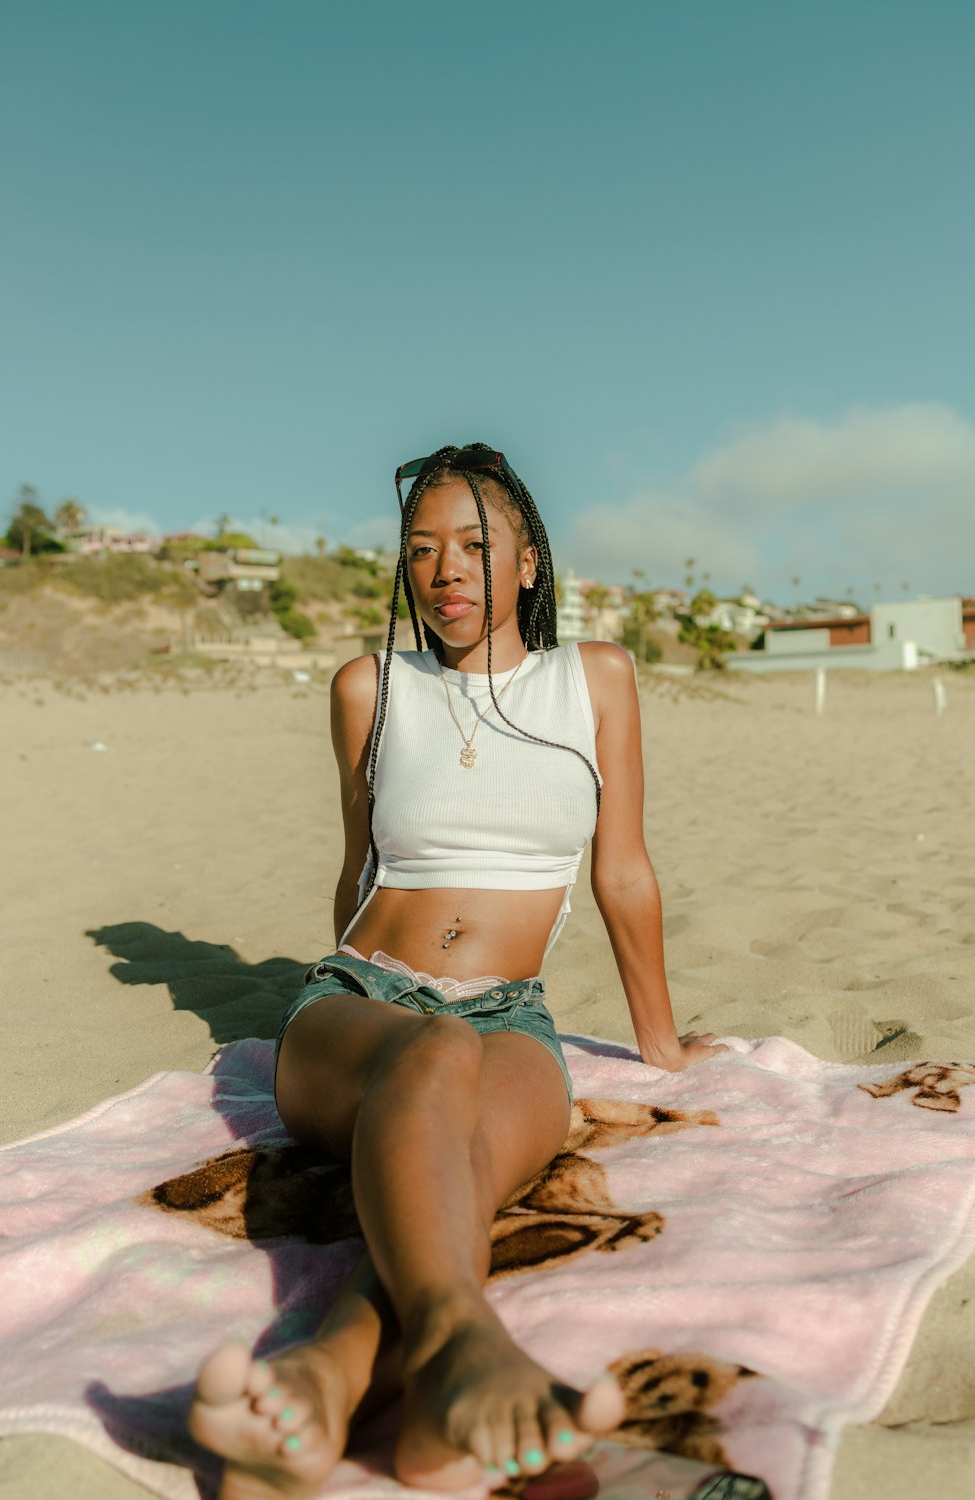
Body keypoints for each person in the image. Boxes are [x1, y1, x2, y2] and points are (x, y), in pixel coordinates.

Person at [188, 443, 724, 1499]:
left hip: (512, 1015)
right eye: (422, 550)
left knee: (463, 1173)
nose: (446, 570)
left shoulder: (596, 680)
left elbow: (622, 873)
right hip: (359, 1003)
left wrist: (659, 1043)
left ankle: (326, 1385)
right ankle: (459, 1348)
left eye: (474, 546)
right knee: (433, 1049)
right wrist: (342, 996)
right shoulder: (367, 688)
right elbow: (355, 870)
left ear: (526, 562)